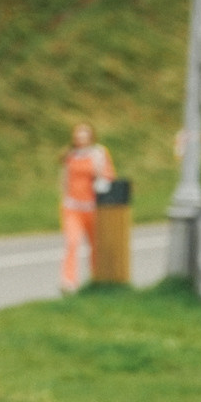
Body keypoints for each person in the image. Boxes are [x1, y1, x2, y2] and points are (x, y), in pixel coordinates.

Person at [58, 121, 116, 292]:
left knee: (95, 244)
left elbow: (108, 175)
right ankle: (68, 281)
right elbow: (65, 179)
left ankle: (96, 277)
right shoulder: (70, 155)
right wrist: (64, 197)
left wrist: (101, 182)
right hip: (73, 207)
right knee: (72, 242)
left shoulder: (99, 154)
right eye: (78, 135)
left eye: (84, 135)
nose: (81, 138)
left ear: (91, 136)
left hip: (93, 206)